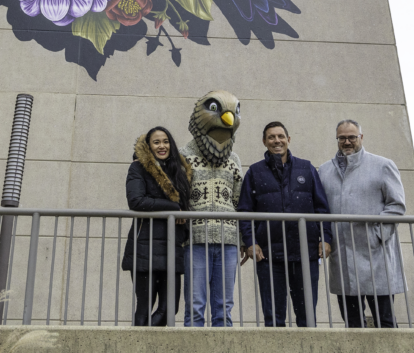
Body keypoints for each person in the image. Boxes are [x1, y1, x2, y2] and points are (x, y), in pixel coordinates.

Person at [237, 121, 333, 327]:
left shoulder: (306, 168)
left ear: (288, 140)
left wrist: (325, 238)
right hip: (269, 257)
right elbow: (245, 211)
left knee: (307, 318)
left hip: (305, 254)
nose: (276, 141)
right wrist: (250, 241)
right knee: (273, 320)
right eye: (271, 137)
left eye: (280, 136)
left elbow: (322, 208)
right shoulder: (254, 172)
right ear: (264, 141)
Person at [317, 119, 406, 328]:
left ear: (361, 137)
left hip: (376, 257)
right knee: (352, 324)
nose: (347, 142)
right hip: (343, 256)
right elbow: (320, 209)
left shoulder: (383, 165)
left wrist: (377, 236)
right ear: (337, 139)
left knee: (385, 322)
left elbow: (396, 206)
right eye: (342, 138)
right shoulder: (323, 171)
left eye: (352, 137)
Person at [180, 90, 243, 327]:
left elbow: (239, 199)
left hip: (228, 239)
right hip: (195, 239)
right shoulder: (184, 155)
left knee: (224, 306)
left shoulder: (234, 159)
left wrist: (244, 239)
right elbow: (179, 197)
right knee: (195, 305)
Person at [121, 126, 191, 326]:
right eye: (157, 142)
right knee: (145, 305)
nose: (162, 146)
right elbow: (136, 201)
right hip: (145, 245)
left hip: (172, 246)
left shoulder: (179, 170)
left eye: (166, 141)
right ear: (149, 146)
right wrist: (172, 207)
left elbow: (185, 208)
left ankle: (144, 341)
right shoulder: (138, 168)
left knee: (170, 309)